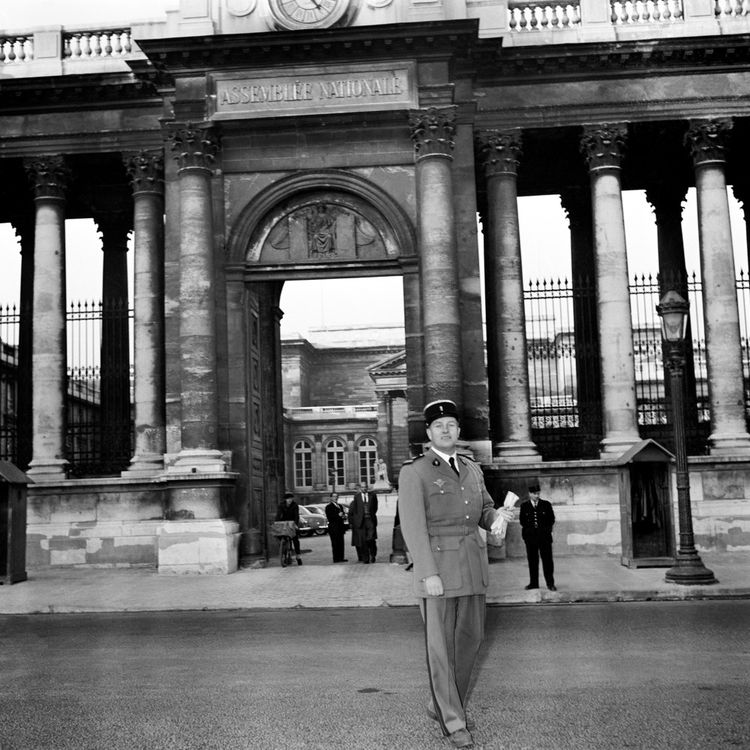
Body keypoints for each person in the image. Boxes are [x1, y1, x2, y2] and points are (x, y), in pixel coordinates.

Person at [398, 399, 513, 750]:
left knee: (471, 640)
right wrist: (427, 572)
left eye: (451, 424)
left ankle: (440, 703)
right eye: (438, 426)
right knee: (442, 649)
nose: (446, 430)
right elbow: (414, 527)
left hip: (473, 567)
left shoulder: (471, 468)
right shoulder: (415, 472)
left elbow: (486, 508)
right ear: (429, 433)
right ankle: (452, 720)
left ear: (459, 430)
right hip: (439, 571)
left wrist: (497, 521)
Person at [519, 481, 556, 591]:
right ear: (530, 494)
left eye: (538, 493)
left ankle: (550, 583)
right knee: (532, 561)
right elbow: (522, 521)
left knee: (548, 561)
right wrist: (529, 533)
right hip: (531, 539)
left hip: (544, 538)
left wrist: (545, 531)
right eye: (535, 493)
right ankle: (534, 583)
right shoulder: (524, 506)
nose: (537, 495)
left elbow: (551, 520)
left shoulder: (546, 504)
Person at [348, 483, 378, 563]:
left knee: (371, 539)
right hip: (361, 522)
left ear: (367, 488)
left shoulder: (373, 496)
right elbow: (356, 510)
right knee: (363, 541)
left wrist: (370, 515)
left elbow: (375, 508)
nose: (364, 488)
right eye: (362, 487)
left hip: (370, 520)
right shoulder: (356, 497)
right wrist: (356, 521)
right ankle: (366, 559)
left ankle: (373, 555)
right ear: (360, 488)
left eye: (365, 487)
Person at [276, 491, 302, 566]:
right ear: (285, 499)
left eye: (291, 499)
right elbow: (278, 514)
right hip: (283, 522)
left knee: (295, 539)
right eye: (288, 499)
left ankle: (298, 556)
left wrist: (296, 524)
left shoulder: (295, 505)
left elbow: (296, 515)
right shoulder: (281, 505)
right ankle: (283, 549)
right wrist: (276, 522)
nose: (289, 500)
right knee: (279, 535)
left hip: (292, 522)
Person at [325, 492, 348, 563]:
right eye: (334, 496)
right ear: (331, 498)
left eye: (336, 496)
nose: (335, 498)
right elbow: (330, 517)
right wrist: (338, 515)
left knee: (341, 543)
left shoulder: (340, 506)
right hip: (333, 528)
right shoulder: (328, 507)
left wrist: (344, 516)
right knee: (335, 544)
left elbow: (342, 515)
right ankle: (336, 558)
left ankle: (341, 557)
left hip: (340, 527)